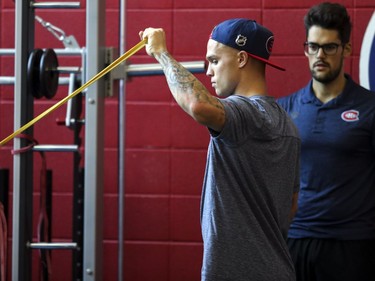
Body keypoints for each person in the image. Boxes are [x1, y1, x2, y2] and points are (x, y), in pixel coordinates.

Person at [140, 18, 300, 281]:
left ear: (241, 59)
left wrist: (162, 54)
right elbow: (290, 207)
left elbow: (199, 106)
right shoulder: (288, 127)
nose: (209, 72)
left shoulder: (248, 114)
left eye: (215, 61)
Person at [277, 2, 375, 281]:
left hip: (352, 245)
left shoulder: (369, 108)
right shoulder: (286, 109)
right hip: (295, 241)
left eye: (329, 47)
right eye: (313, 46)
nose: (320, 55)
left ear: (346, 49)